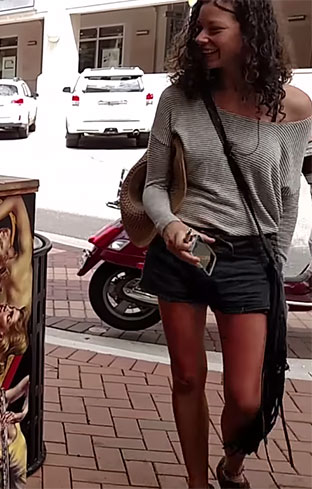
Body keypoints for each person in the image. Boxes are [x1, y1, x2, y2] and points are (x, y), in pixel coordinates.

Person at [140, 1, 312, 488]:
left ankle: (231, 463)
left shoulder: (293, 108)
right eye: (197, 29)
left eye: (214, 28)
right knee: (188, 379)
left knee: (246, 396)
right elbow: (153, 184)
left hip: (249, 261)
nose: (200, 38)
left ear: (249, 33)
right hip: (181, 254)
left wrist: (274, 270)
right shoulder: (179, 98)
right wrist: (169, 224)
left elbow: (289, 196)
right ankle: (197, 482)